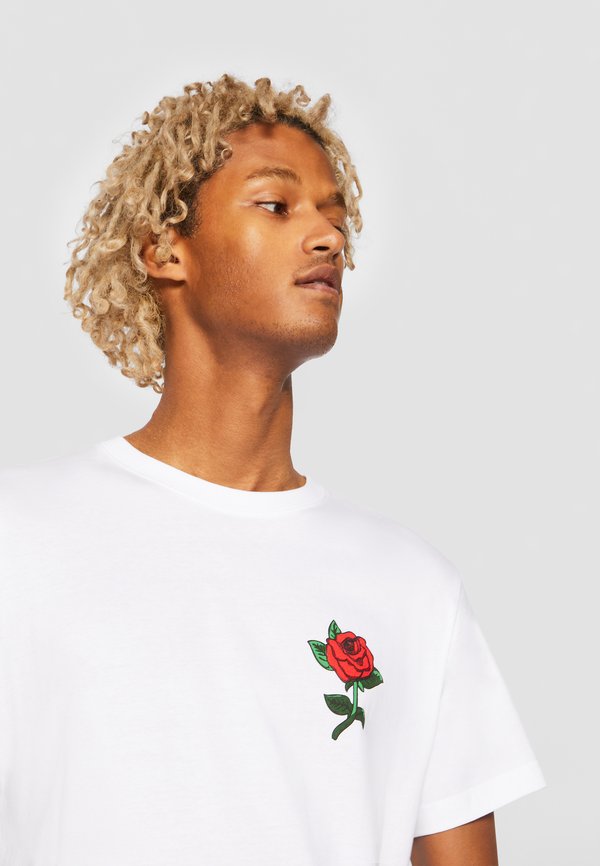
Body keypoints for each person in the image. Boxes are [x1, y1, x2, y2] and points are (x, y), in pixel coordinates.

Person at [0, 74, 546, 865]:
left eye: (335, 216)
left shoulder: (412, 587)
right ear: (164, 249)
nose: (328, 238)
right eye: (276, 205)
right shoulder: (21, 540)